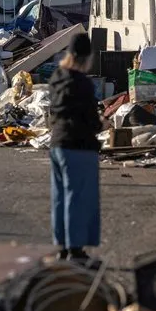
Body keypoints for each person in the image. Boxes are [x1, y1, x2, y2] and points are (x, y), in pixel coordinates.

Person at [48, 33, 103, 261]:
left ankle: (61, 246)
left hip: (57, 144)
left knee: (59, 197)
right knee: (78, 198)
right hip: (79, 145)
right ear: (87, 57)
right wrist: (101, 123)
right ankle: (76, 250)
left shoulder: (57, 77)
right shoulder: (82, 83)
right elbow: (91, 120)